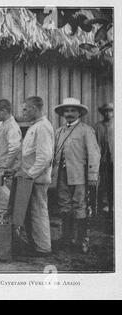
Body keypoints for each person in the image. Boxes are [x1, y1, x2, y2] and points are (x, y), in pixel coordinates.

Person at [5, 96, 54, 257]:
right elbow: (28, 155)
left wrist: (29, 174)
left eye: (26, 109)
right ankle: (35, 245)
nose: (23, 112)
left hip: (37, 179)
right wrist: (19, 170)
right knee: (29, 213)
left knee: (38, 211)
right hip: (28, 178)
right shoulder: (36, 126)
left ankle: (43, 248)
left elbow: (44, 156)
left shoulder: (43, 127)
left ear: (34, 108)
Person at [53, 97, 100, 254]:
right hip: (61, 175)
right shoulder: (59, 132)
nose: (69, 113)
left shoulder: (86, 130)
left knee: (80, 205)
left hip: (80, 175)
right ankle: (66, 239)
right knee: (64, 206)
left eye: (73, 110)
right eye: (67, 111)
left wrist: (93, 175)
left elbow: (94, 153)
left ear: (79, 112)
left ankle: (81, 241)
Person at [0, 99, 22, 178]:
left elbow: (15, 147)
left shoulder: (11, 126)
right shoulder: (5, 124)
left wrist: (6, 164)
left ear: (3, 111)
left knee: (4, 189)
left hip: (4, 170)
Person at [94, 102, 114, 217]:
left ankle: (114, 206)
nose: (108, 113)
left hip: (115, 162)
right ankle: (104, 207)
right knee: (103, 183)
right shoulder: (98, 126)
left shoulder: (117, 124)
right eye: (105, 111)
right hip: (102, 161)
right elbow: (96, 144)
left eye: (110, 111)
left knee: (114, 183)